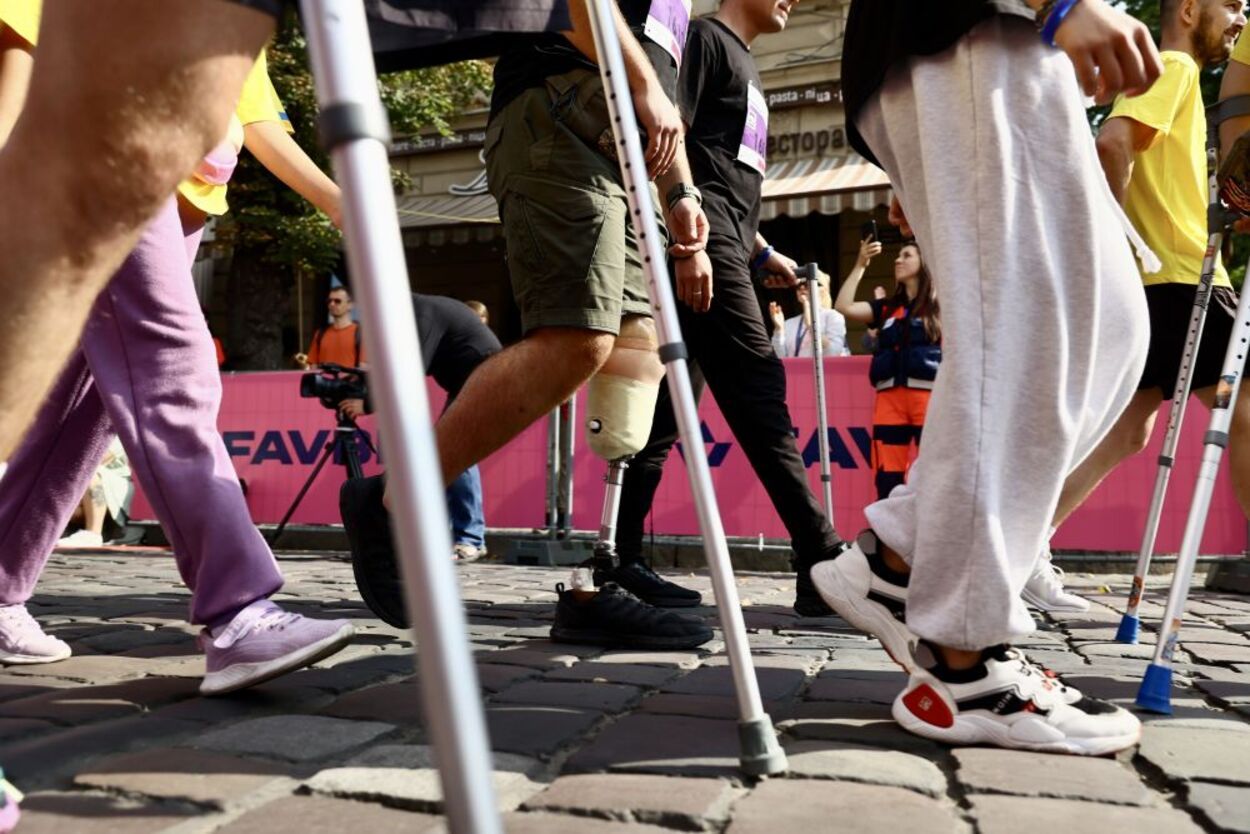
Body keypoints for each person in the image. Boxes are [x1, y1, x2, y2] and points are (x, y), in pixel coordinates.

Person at [811, 0, 1161, 754]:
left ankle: (899, 561)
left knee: (1111, 330)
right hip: (969, 25)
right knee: (1021, 332)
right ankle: (962, 664)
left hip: (1008, 43)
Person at [0, 2, 354, 693]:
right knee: (173, 369)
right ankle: (236, 612)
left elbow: (253, 118)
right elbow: (25, 44)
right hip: (104, 148)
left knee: (87, 403)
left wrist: (340, 202)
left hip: (181, 201)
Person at [347, 2, 717, 648]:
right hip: (562, 109)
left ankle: (604, 571)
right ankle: (392, 500)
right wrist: (643, 87)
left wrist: (681, 192)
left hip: (632, 149)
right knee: (579, 339)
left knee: (635, 356)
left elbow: (662, 83)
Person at [612, 0, 849, 616]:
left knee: (664, 417)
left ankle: (619, 559)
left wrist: (762, 249)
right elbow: (666, 143)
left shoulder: (743, 61)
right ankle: (820, 558)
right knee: (759, 390)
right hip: (703, 244)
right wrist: (690, 245)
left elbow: (723, 172)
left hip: (726, 247)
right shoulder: (704, 41)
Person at [1044, 0, 1248, 612]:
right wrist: (1120, 241)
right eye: (1231, 5)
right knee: (1246, 408)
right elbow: (1112, 145)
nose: (1240, 18)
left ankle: (1022, 546)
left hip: (1162, 281)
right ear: (1189, 9)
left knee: (1130, 429)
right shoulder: (1176, 67)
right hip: (1182, 279)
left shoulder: (1170, 75)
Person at [340, 293, 501, 564]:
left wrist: (367, 403)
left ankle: (471, 540)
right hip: (468, 384)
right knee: (444, 454)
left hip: (485, 380)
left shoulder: (421, 315)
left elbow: (409, 373)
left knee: (456, 452)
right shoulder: (411, 317)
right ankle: (444, 538)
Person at [835, 238, 940, 500]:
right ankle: (889, 526)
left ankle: (933, 525)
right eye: (898, 255)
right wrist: (861, 263)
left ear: (925, 262)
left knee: (936, 476)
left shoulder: (942, 306)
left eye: (907, 255)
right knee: (887, 477)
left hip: (930, 400)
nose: (898, 260)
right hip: (888, 402)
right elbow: (843, 306)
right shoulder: (886, 308)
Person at [55, 437, 132, 549]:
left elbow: (98, 459)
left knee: (88, 471)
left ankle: (93, 533)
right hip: (73, 484)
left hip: (112, 485)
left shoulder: (115, 433)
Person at [769, 269, 851, 358]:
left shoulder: (833, 317)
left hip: (823, 367)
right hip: (795, 367)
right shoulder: (789, 323)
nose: (802, 288)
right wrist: (779, 329)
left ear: (823, 289)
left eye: (807, 285)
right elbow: (780, 357)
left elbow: (833, 352)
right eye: (798, 285)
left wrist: (810, 324)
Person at [297, 286, 365, 369]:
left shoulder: (361, 334)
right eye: (329, 301)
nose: (332, 304)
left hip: (349, 378)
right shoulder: (320, 333)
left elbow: (364, 368)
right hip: (323, 378)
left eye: (337, 301)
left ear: (350, 305)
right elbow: (313, 366)